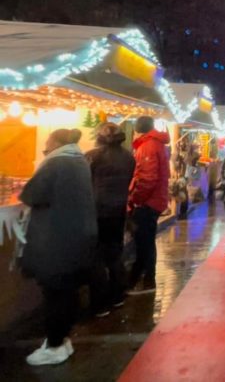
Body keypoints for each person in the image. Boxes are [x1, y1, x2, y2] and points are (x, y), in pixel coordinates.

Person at [20, 129, 97, 366]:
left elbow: (31, 194)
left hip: (57, 240)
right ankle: (61, 341)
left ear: (55, 142)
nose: (44, 147)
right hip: (76, 237)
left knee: (55, 294)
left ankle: (53, 345)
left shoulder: (55, 163)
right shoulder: (79, 161)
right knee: (66, 292)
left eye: (46, 143)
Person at [86, 123, 136, 316]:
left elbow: (86, 181)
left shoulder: (93, 156)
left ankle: (99, 304)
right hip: (118, 210)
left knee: (96, 258)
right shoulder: (128, 157)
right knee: (115, 254)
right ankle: (117, 296)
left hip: (97, 211)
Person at [127, 116, 170, 294]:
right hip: (155, 200)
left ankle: (146, 281)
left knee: (144, 243)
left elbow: (147, 178)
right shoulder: (156, 144)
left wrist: (136, 199)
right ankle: (141, 279)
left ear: (137, 129)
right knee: (146, 242)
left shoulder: (147, 146)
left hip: (147, 202)